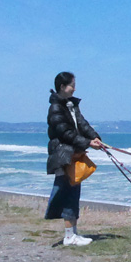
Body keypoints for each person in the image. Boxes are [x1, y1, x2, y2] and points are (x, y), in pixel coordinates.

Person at [45, 71, 105, 245]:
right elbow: (65, 133)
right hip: (63, 156)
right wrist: (88, 143)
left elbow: (82, 124)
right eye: (72, 85)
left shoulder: (71, 105)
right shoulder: (56, 108)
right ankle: (69, 236)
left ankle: (73, 233)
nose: (74, 88)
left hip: (73, 154)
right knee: (67, 193)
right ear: (63, 87)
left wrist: (95, 138)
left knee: (74, 192)